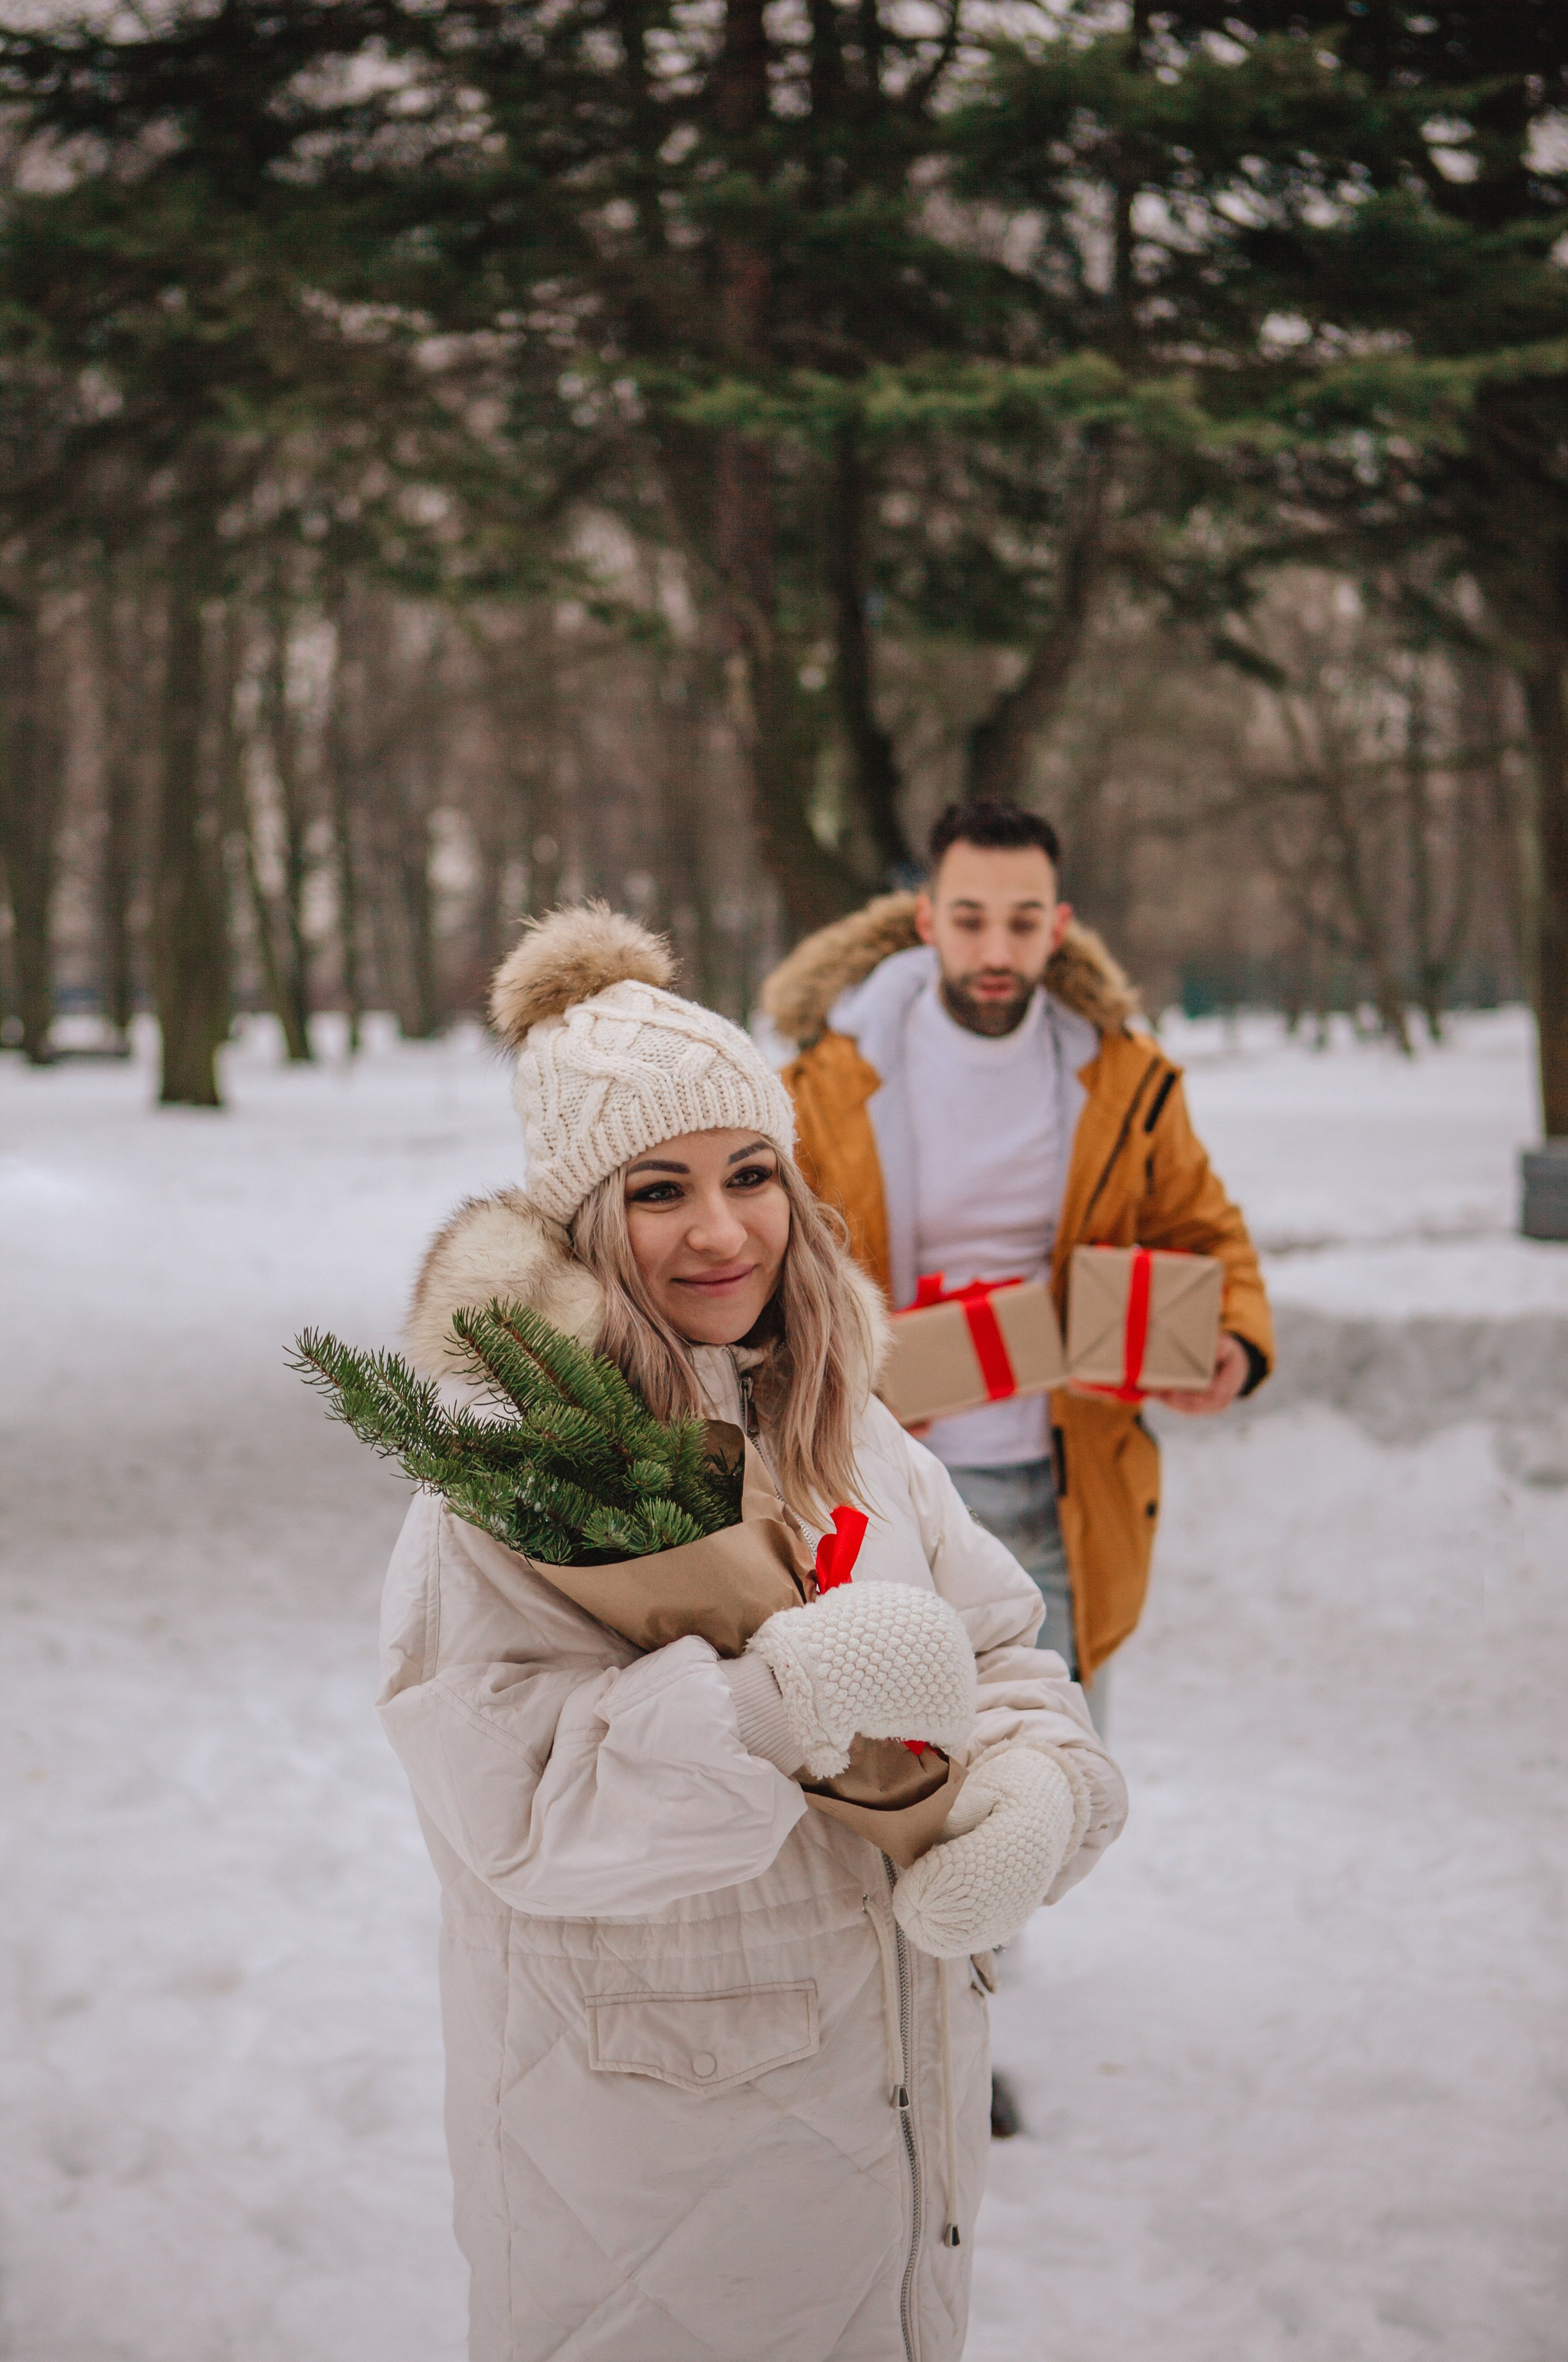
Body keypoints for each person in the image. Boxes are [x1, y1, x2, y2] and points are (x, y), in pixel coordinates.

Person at [381, 903, 1128, 2362]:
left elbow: (1007, 1661)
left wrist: (1037, 1796)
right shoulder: (511, 1488)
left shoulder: (856, 1435)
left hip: (891, 2156)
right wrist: (768, 1705)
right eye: (658, 1191)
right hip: (647, 2194)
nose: (722, 1231)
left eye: (750, 1176)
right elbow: (522, 1815)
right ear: (583, 1226)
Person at [763, 798, 1275, 1735]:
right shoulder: (820, 1086)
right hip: (874, 1492)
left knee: (1049, 1783)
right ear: (926, 919)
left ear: (1060, 926)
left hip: (1061, 1486)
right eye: (969, 920)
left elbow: (1206, 1233)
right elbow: (761, 1267)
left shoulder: (1123, 1079)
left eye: (1023, 921)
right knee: (886, 1789)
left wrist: (1235, 1341)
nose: (996, 950)